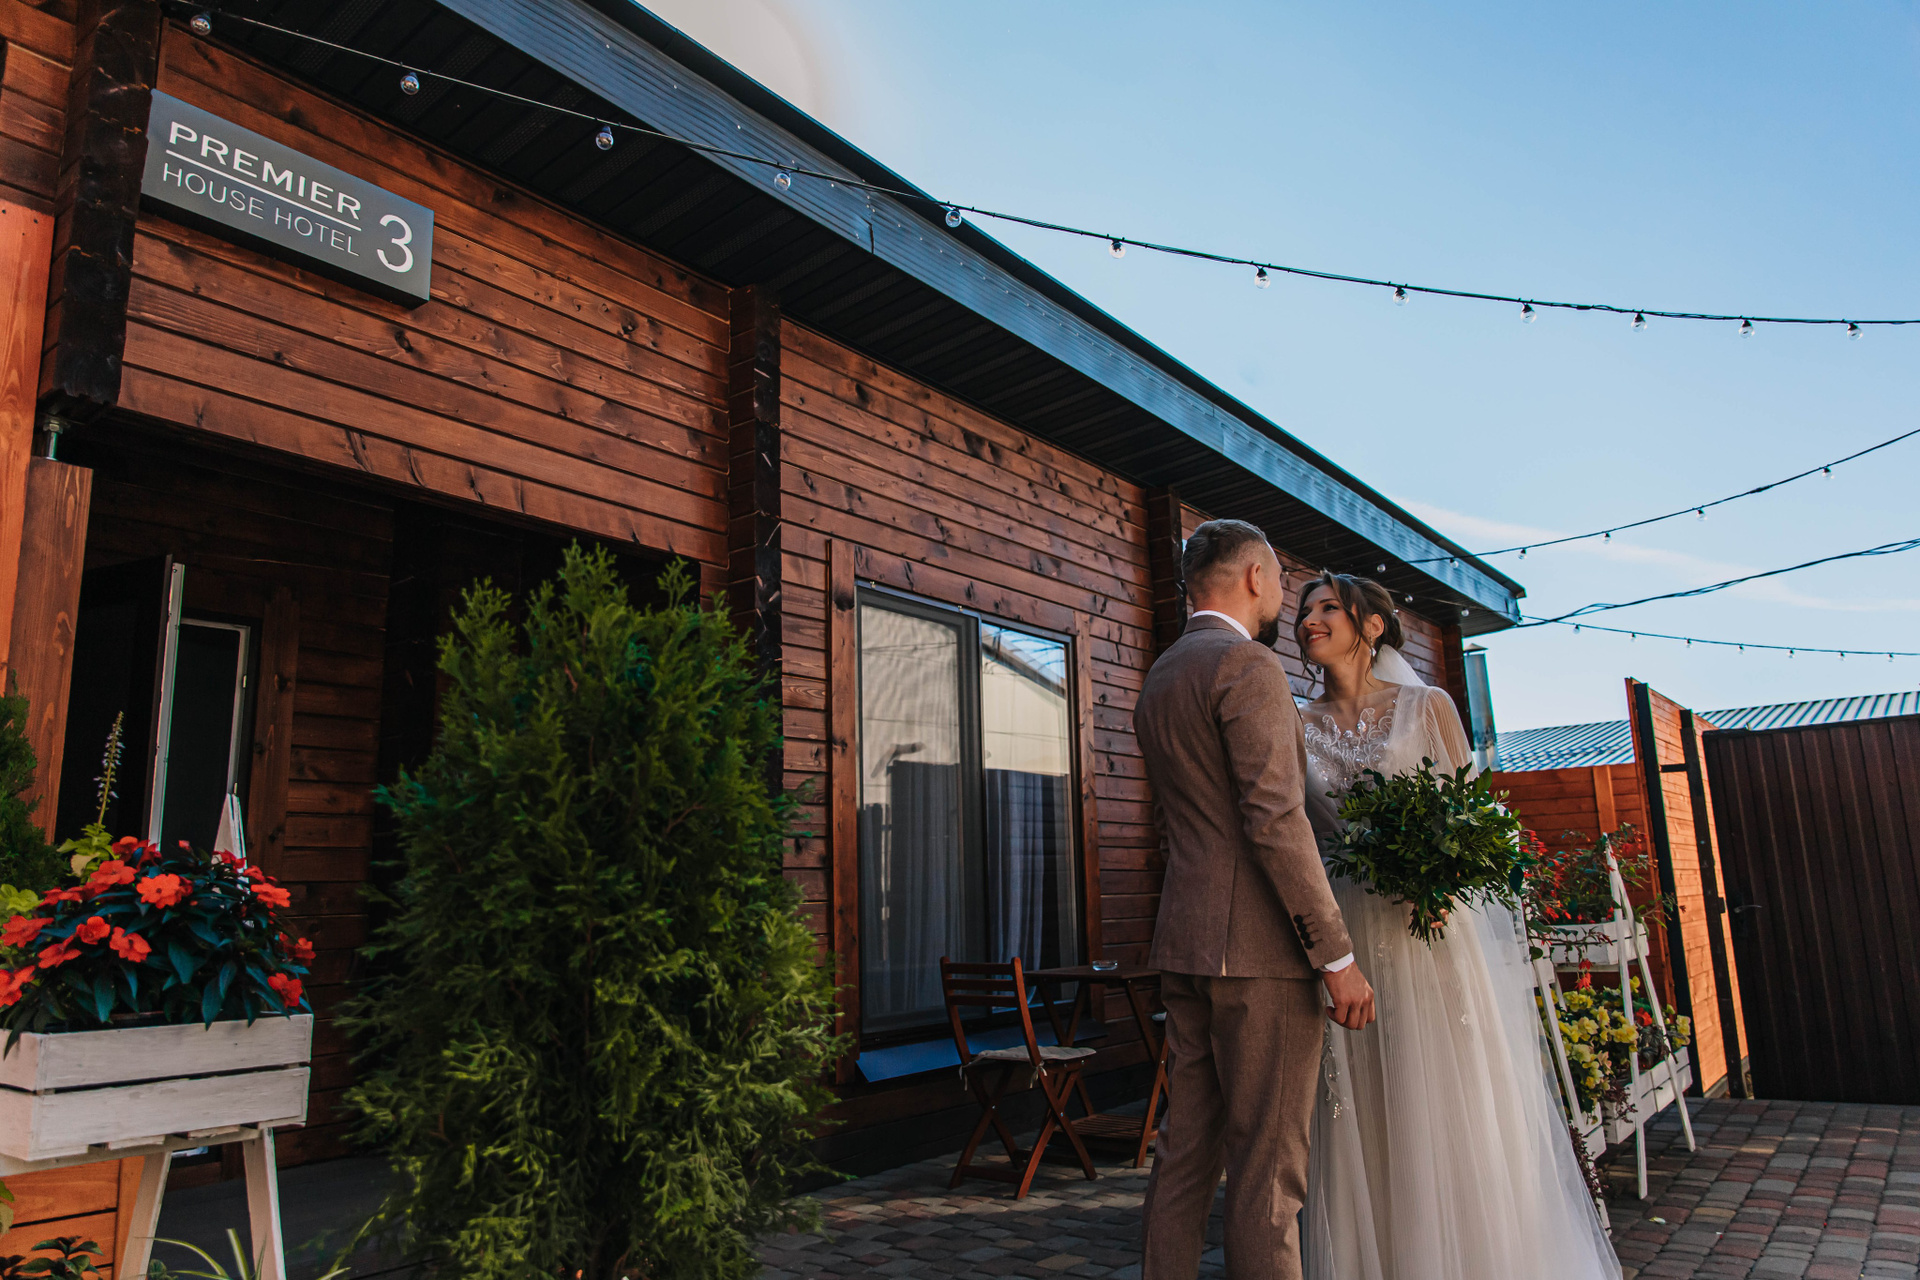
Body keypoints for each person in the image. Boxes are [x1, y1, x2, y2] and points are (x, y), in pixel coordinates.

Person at [1294, 572, 1619, 1280]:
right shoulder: (1296, 723)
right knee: (1363, 1102)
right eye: (1304, 610)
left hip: (1429, 927)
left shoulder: (1428, 707)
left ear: (1371, 625)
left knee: (1440, 1094)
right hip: (1345, 929)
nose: (1309, 619)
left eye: (1327, 607)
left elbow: (1472, 820)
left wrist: (1442, 882)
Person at [1134, 520, 1376, 1280]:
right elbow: (1274, 819)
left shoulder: (1161, 674)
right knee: (1269, 1171)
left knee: (1183, 1152)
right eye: (1277, 579)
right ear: (1251, 577)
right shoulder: (1245, 664)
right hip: (1262, 956)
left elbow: (1179, 822)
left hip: (1185, 944)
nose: (1282, 598)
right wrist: (1335, 956)